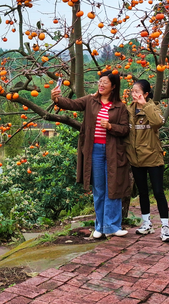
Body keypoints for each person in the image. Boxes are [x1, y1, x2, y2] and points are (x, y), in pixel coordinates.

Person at [51, 72, 131, 238]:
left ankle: (113, 226)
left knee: (113, 188)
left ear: (113, 86)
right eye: (100, 81)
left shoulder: (120, 107)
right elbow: (71, 104)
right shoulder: (90, 100)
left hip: (113, 152)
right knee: (99, 189)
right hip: (94, 150)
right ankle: (100, 227)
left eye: (105, 83)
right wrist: (57, 99)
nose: (101, 85)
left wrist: (110, 126)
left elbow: (125, 129)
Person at [126, 79, 169, 242]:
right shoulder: (129, 110)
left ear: (145, 94)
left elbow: (158, 122)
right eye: (132, 91)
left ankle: (165, 227)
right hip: (136, 158)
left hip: (153, 157)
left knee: (159, 192)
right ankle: (146, 223)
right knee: (143, 192)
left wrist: (145, 105)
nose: (134, 94)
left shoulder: (153, 107)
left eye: (137, 92)